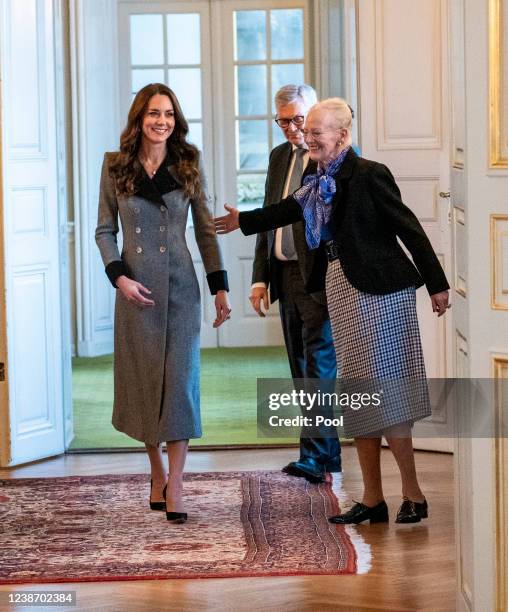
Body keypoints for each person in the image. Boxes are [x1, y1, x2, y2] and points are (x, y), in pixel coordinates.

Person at [215, 97, 450, 524]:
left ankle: (414, 494)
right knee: (356, 393)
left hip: (381, 293)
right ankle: (374, 500)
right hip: (339, 285)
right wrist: (244, 221)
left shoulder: (370, 174)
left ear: (342, 135)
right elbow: (291, 209)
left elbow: (409, 228)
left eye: (315, 132)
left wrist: (437, 284)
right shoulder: (315, 174)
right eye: (307, 133)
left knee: (387, 390)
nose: (308, 138)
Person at [96, 83, 231, 524]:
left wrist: (220, 288)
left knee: (180, 387)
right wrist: (119, 279)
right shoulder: (116, 166)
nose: (162, 121)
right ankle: (156, 470)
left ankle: (176, 482)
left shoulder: (188, 164)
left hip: (181, 289)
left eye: (169, 114)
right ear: (139, 118)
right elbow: (104, 231)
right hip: (137, 294)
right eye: (154, 113)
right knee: (144, 386)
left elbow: (206, 230)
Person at [250, 84, 340, 484]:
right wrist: (259, 278)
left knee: (319, 367)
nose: (291, 128)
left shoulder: (327, 157)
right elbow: (269, 219)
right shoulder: (278, 157)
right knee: (300, 367)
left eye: (297, 119)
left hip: (317, 277)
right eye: (283, 120)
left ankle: (318, 456)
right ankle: (319, 453)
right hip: (284, 274)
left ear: (314, 114)